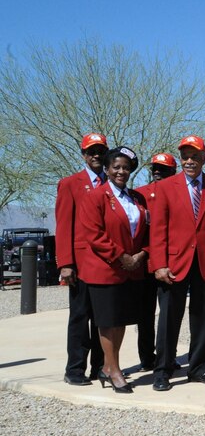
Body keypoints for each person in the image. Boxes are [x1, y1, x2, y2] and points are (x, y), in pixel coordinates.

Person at [147, 135, 205, 391]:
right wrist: (159, 264)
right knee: (169, 318)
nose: (189, 161)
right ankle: (163, 369)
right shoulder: (165, 187)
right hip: (174, 264)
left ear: (204, 158)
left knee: (203, 319)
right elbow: (158, 230)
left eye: (194, 156)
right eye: (185, 156)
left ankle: (198, 367)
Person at [75, 146, 149, 393]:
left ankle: (109, 366)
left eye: (125, 168)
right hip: (106, 270)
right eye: (116, 167)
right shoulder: (95, 197)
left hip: (131, 270)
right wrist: (121, 257)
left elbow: (147, 231)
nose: (121, 171)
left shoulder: (137, 199)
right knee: (107, 321)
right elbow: (94, 235)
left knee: (121, 321)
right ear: (106, 169)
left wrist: (142, 254)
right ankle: (114, 369)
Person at [56, 133, 108, 386]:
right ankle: (74, 369)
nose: (96, 155)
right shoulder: (70, 184)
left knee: (102, 319)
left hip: (106, 264)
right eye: (91, 151)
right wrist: (65, 263)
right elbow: (64, 224)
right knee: (80, 317)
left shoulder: (113, 183)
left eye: (100, 150)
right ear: (84, 155)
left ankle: (100, 367)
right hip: (80, 264)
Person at [132, 152, 177, 371]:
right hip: (144, 264)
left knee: (168, 314)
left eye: (163, 169)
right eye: (155, 169)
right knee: (145, 314)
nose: (158, 172)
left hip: (170, 263)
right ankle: (147, 358)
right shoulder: (139, 194)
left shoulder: (179, 193)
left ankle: (167, 356)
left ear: (173, 171)